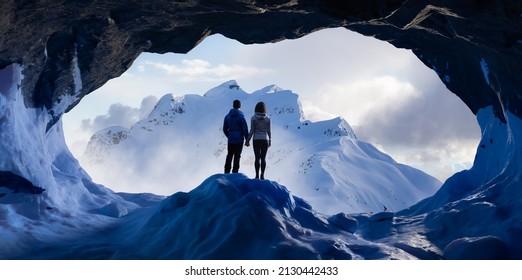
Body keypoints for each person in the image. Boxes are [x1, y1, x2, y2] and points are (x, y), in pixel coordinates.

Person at [245, 102, 271, 180]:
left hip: (256, 139)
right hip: (265, 139)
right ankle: (262, 175)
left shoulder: (253, 118)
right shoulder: (268, 118)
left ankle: (256, 175)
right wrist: (270, 140)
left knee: (257, 158)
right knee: (263, 158)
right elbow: (269, 131)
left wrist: (247, 140)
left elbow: (252, 130)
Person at [223, 99, 249, 174]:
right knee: (237, 156)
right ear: (239, 106)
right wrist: (247, 139)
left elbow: (225, 129)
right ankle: (235, 172)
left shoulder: (227, 117)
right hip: (239, 140)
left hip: (231, 139)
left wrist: (229, 136)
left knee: (229, 155)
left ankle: (226, 171)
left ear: (233, 105)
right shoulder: (241, 117)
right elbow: (245, 129)